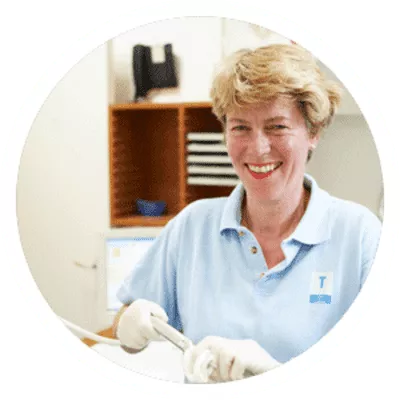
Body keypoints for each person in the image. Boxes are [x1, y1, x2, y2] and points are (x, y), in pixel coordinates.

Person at [113, 44, 382, 383]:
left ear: (313, 132)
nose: (258, 148)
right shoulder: (192, 227)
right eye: (240, 127)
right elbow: (128, 322)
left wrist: (279, 375)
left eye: (277, 127)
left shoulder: (360, 237)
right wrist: (129, 325)